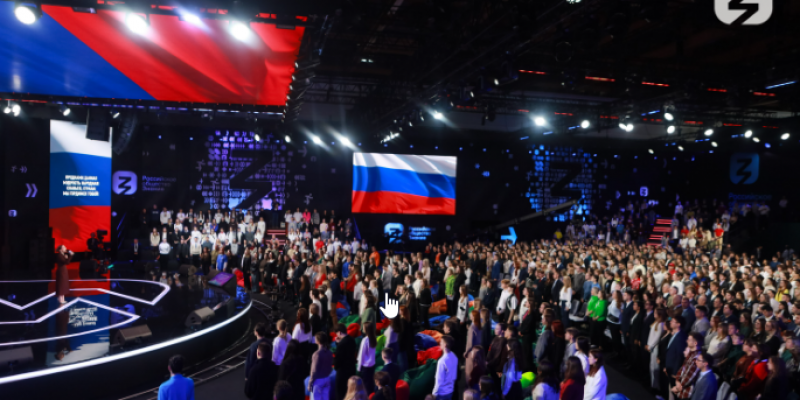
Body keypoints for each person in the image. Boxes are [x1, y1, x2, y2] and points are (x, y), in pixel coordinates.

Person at [335, 323, 358, 400]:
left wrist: (335, 367)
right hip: (351, 368)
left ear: (339, 332)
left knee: (341, 393)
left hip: (342, 372)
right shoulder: (352, 339)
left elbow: (338, 359)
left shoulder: (341, 344)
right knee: (351, 391)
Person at [308, 332, 333, 400]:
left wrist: (310, 383)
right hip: (327, 378)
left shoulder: (316, 354)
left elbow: (314, 371)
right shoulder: (329, 352)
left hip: (318, 381)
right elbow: (330, 367)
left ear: (318, 341)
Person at [433, 335, 458, 400]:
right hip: (451, 391)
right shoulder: (454, 357)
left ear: (445, 345)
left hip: (441, 393)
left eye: (441, 342)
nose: (440, 343)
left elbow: (439, 380)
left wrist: (434, 394)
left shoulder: (442, 361)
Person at [358, 322, 378, 394]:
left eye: (363, 327)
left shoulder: (365, 340)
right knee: (370, 384)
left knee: (365, 386)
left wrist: (359, 368)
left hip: (365, 366)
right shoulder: (374, 338)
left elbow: (361, 355)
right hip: (372, 364)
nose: (362, 328)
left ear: (366, 329)